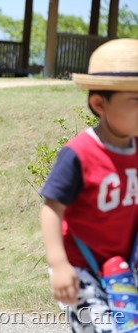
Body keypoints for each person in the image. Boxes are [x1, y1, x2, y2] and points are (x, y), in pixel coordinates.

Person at [40, 38, 138, 333]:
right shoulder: (79, 153)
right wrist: (58, 265)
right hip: (79, 267)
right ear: (99, 103)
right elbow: (51, 209)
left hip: (122, 266)